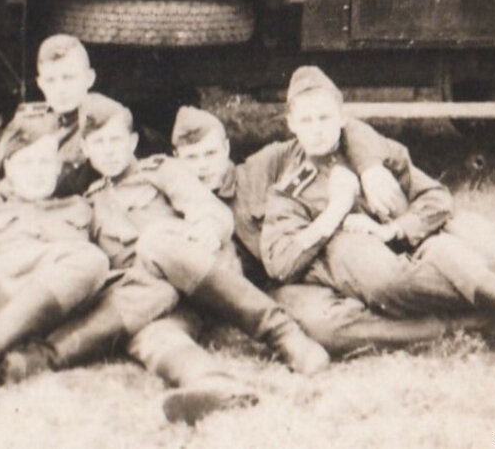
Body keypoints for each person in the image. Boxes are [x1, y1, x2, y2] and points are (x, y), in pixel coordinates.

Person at [258, 66, 495, 373]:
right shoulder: (290, 188)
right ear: (291, 125)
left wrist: (394, 229)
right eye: (306, 120)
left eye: (324, 118)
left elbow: (436, 197)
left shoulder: (374, 153)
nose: (317, 129)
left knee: (477, 258)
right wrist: (335, 211)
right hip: (373, 276)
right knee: (426, 270)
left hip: (417, 246)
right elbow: (280, 262)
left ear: (341, 117)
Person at [1, 93, 328, 423]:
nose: (109, 150)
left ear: (131, 142)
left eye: (116, 140)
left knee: (156, 242)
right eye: (99, 143)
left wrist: (205, 230)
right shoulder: (89, 201)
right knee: (150, 335)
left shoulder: (161, 170)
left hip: (204, 278)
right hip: (156, 300)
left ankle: (283, 334)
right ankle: (210, 383)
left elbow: (209, 210)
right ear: (86, 150)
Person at [170, 105, 465, 356]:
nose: (202, 167)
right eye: (191, 158)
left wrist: (369, 167)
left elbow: (342, 133)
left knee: (386, 282)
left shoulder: (263, 165)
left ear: (226, 148)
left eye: (209, 154)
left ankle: (479, 289)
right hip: (282, 286)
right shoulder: (176, 205)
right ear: (176, 159)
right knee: (325, 329)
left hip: (326, 252)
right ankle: (455, 325)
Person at [0, 113, 111, 405]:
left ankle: (17, 357)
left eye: (46, 162)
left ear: (58, 168)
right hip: (8, 289)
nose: (38, 172)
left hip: (67, 304)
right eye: (28, 162)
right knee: (91, 260)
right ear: (9, 168)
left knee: (106, 271)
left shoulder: (81, 207)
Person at [0, 34, 97, 196]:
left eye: (68, 78)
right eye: (51, 80)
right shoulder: (29, 124)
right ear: (41, 84)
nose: (60, 90)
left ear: (89, 78)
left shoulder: (104, 123)